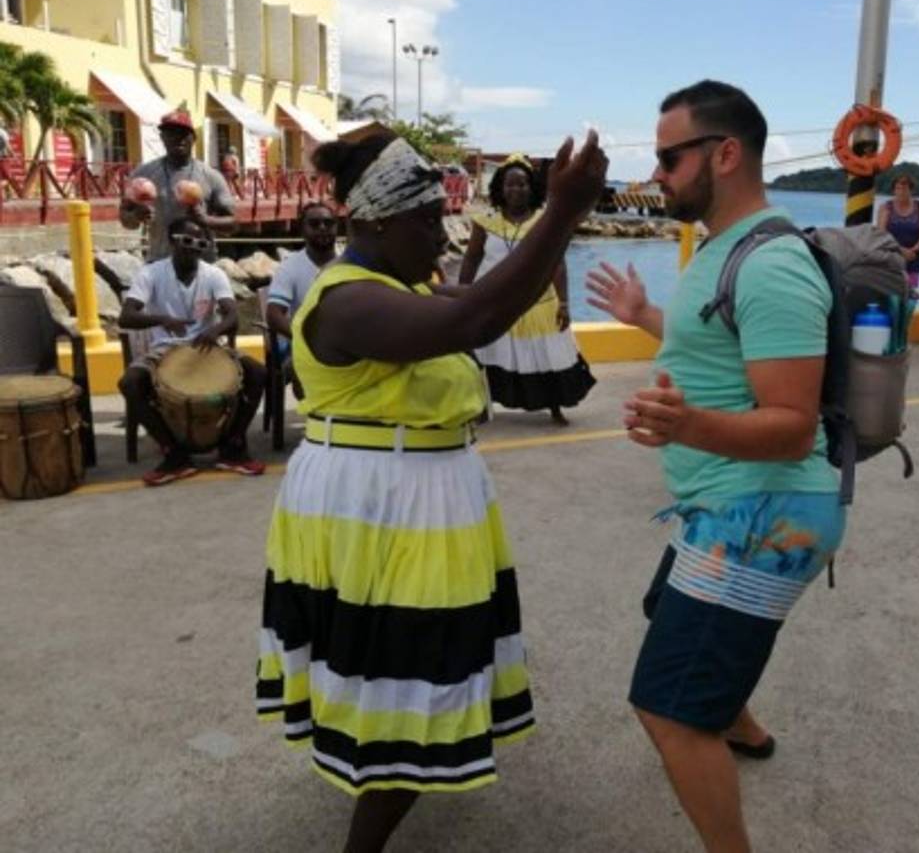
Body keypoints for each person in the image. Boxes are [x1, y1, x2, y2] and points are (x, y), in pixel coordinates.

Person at [255, 131, 607, 853]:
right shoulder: (348, 302)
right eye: (426, 224)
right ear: (375, 223)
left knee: (396, 661)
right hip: (382, 501)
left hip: (420, 498)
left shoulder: (401, 286)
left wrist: (548, 230)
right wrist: (562, 213)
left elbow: (486, 298)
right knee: (412, 676)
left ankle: (372, 762)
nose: (441, 240)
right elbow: (474, 319)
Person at [586, 79, 846, 853]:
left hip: (766, 513)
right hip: (732, 503)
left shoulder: (772, 265)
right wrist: (644, 318)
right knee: (664, 608)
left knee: (666, 708)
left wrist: (690, 424)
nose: (656, 174)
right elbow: (721, 339)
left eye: (669, 157)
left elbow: (794, 428)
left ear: (724, 154)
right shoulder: (723, 252)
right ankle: (738, 723)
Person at [117, 216, 267, 485]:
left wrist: (215, 330)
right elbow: (126, 317)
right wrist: (162, 320)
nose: (193, 247)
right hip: (164, 351)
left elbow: (232, 317)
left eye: (200, 242)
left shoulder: (214, 274)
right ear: (172, 242)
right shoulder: (150, 273)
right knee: (130, 383)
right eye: (186, 240)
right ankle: (173, 453)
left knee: (257, 372)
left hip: (208, 347)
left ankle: (233, 445)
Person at [458, 154, 596, 425]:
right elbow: (472, 258)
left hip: (539, 303)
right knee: (489, 356)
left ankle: (555, 406)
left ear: (532, 188)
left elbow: (557, 264)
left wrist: (565, 303)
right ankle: (482, 407)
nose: (516, 190)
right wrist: (462, 294)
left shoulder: (545, 222)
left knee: (548, 355)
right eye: (510, 185)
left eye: (522, 184)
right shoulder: (485, 223)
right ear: (500, 188)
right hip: (495, 304)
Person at [120, 111, 236, 261]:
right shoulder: (143, 175)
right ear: (162, 138)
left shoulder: (211, 176)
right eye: (171, 133)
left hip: (201, 265)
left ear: (193, 138)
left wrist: (206, 220)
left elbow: (233, 224)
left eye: (183, 133)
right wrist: (135, 216)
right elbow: (125, 219)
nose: (177, 138)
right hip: (159, 262)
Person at [266, 201, 337, 394]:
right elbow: (273, 314)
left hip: (344, 339)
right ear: (302, 230)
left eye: (328, 223)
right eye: (314, 224)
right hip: (304, 342)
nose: (322, 228)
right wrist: (304, 337)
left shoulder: (350, 262)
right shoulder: (290, 266)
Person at [876, 173, 919, 289]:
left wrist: (914, 250)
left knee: (910, 297)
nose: (901, 192)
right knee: (892, 297)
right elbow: (881, 234)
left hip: (914, 258)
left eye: (905, 188)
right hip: (891, 257)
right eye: (898, 188)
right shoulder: (886, 207)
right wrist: (901, 250)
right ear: (894, 190)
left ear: (911, 190)